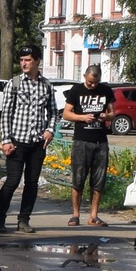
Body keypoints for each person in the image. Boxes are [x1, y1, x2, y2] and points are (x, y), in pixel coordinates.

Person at [0, 51, 56, 230]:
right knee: (12, 181)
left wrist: (50, 130)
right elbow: (6, 114)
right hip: (17, 142)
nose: (24, 63)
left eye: (28, 60)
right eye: (21, 60)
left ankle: (24, 220)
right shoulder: (14, 83)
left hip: (37, 143)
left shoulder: (46, 85)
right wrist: (6, 140)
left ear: (37, 61)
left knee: (32, 183)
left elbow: (52, 112)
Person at [58, 65, 116, 226]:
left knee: (98, 180)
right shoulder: (76, 90)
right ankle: (75, 215)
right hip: (81, 141)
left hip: (100, 141)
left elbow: (113, 114)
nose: (92, 85)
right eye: (90, 82)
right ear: (84, 76)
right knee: (78, 178)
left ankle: (93, 215)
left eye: (95, 82)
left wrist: (105, 116)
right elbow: (66, 113)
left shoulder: (106, 91)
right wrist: (83, 118)